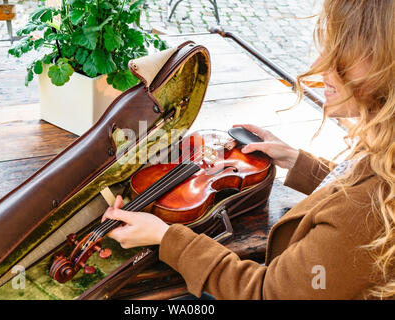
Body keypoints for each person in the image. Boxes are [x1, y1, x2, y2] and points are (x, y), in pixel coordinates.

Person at [102, 0, 394, 299]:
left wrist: (166, 237)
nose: (319, 63)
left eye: (339, 51)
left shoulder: (365, 208)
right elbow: (351, 183)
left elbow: (267, 293)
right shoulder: (385, 151)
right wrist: (297, 161)